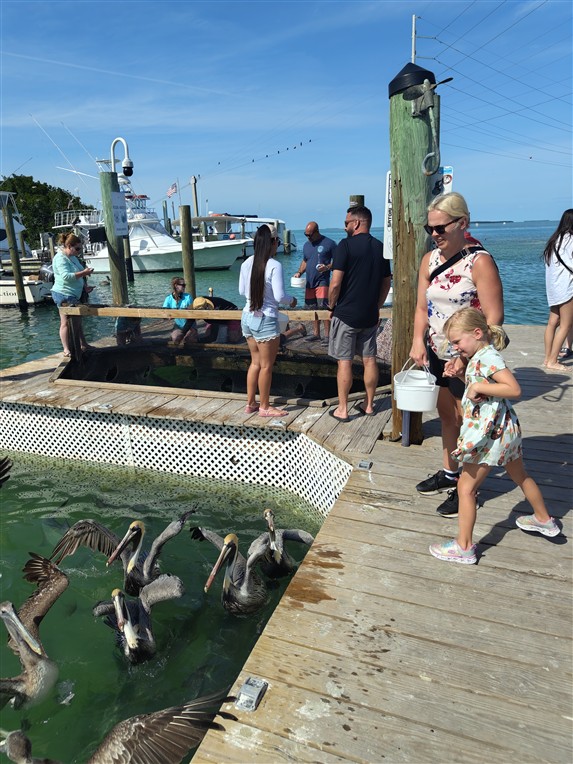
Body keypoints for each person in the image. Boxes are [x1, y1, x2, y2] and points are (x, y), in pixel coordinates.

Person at [429, 308, 559, 565]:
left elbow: (514, 389)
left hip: (488, 434)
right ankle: (544, 520)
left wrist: (476, 385)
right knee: (520, 475)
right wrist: (463, 376)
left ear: (477, 333)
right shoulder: (478, 356)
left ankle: (464, 547)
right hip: (504, 430)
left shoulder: (489, 357)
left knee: (466, 488)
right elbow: (485, 390)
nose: (455, 348)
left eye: (457, 341)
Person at [410, 192, 504, 518]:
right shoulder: (429, 260)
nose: (434, 234)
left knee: (470, 422)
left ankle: (469, 487)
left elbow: (493, 317)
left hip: (469, 359)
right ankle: (450, 472)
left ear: (462, 222)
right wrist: (417, 340)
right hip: (437, 350)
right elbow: (422, 307)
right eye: (430, 228)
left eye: (441, 228)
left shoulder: (480, 262)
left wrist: (464, 358)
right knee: (446, 414)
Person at [328, 205, 392, 421]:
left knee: (344, 361)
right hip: (369, 314)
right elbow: (386, 283)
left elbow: (335, 283)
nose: (344, 226)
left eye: (346, 222)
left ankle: (342, 409)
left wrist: (331, 306)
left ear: (356, 223)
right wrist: (377, 306)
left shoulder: (344, 246)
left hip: (346, 314)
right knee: (369, 359)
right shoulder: (380, 247)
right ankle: (369, 404)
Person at [238, 224, 297, 417]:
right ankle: (264, 407)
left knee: (255, 363)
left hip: (247, 316)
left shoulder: (246, 263)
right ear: (273, 242)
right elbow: (280, 296)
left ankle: (250, 404)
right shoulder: (274, 265)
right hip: (265, 319)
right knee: (266, 366)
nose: (278, 245)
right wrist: (292, 300)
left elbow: (241, 291)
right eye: (277, 241)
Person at [51, 232, 95, 357]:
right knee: (65, 322)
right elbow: (66, 276)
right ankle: (67, 349)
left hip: (74, 294)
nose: (79, 251)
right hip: (63, 293)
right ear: (69, 246)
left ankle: (83, 343)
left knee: (77, 321)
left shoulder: (73, 257)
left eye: (80, 249)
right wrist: (84, 273)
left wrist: (85, 286)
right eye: (77, 248)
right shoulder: (60, 258)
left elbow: (79, 273)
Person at [293, 221, 337, 346]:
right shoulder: (306, 245)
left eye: (310, 235)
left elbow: (339, 260)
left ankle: (327, 335)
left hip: (322, 281)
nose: (308, 237)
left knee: (323, 308)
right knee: (312, 308)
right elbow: (305, 261)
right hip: (309, 282)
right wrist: (299, 272)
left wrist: (327, 267)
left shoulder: (329, 243)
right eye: (306, 234)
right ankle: (316, 334)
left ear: (317, 231)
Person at [541, 209, 573, 372]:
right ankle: (553, 361)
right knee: (566, 324)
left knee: (552, 322)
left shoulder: (555, 240)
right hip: (567, 287)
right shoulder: (571, 240)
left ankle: (547, 358)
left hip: (553, 287)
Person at [162, 277, 196, 344]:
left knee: (187, 339)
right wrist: (168, 316)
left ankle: (193, 335)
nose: (184, 287)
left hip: (190, 325)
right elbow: (163, 314)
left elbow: (192, 313)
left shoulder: (188, 297)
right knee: (176, 338)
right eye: (182, 285)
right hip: (178, 325)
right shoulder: (168, 299)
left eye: (185, 285)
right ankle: (174, 334)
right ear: (176, 286)